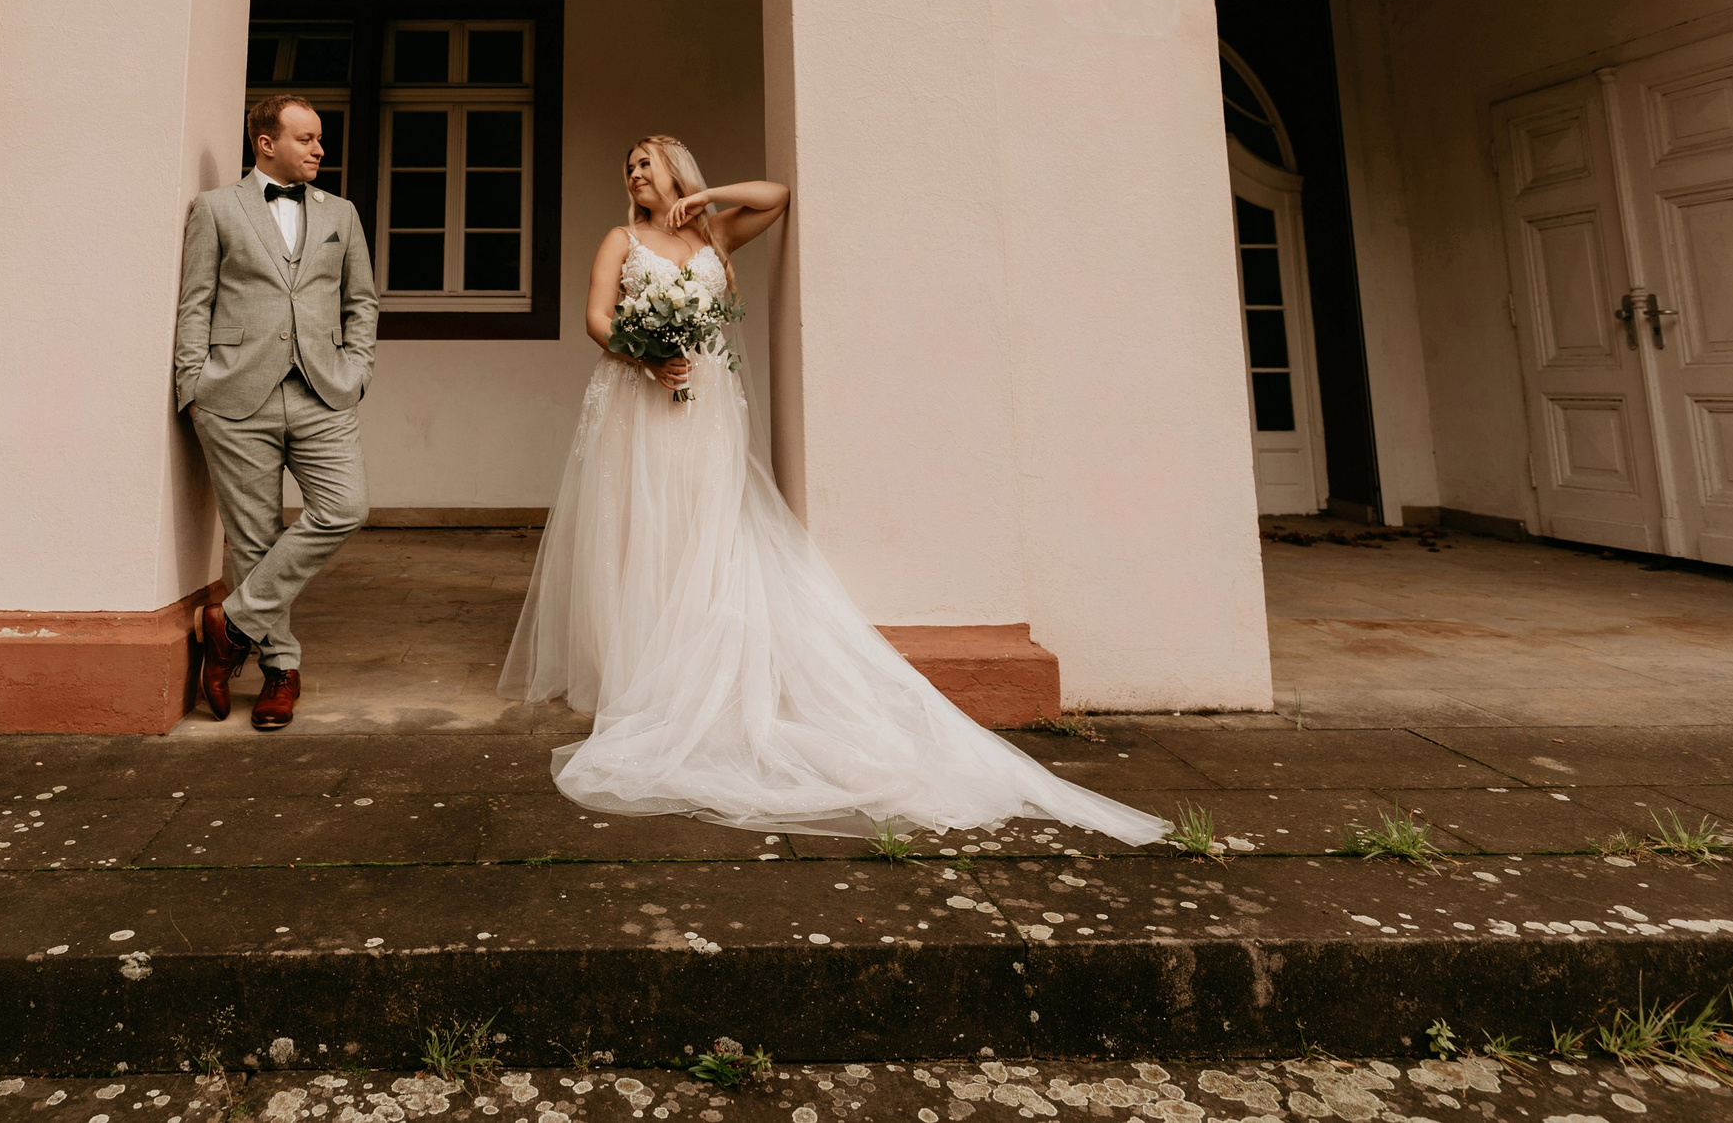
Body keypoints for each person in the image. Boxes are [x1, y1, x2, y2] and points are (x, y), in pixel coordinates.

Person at [499, 135, 1169, 843]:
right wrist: (647, 354)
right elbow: (595, 319)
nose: (633, 173)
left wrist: (708, 197)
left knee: (707, 528)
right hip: (640, 402)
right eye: (627, 166)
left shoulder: (714, 233)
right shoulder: (621, 239)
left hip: (707, 411)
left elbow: (777, 199)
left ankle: (696, 660)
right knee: (644, 525)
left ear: (674, 170)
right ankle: (644, 676)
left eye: (645, 162)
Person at [177, 95, 378, 731]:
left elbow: (361, 302)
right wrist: (194, 383)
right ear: (266, 143)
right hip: (236, 395)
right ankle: (279, 671)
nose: (320, 149)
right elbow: (195, 301)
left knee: (345, 506)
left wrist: (357, 369)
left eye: (320, 139)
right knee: (253, 536)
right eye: (307, 138)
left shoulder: (341, 213)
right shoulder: (216, 209)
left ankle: (230, 625)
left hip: (323, 390)